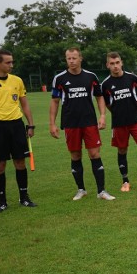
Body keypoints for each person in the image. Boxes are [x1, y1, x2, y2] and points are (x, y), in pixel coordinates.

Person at [49, 47, 116, 201]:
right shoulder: (59, 79)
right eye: (68, 58)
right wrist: (52, 124)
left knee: (94, 154)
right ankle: (81, 190)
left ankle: (101, 191)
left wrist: (103, 115)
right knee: (76, 155)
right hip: (71, 123)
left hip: (89, 122)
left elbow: (100, 97)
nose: (71, 61)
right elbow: (54, 102)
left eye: (74, 58)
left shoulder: (91, 77)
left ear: (80, 58)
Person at [101, 52, 137, 192]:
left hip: (135, 120)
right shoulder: (105, 84)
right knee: (122, 150)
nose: (115, 66)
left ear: (121, 63)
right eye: (112, 63)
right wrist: (119, 111)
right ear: (107, 65)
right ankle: (125, 181)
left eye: (117, 63)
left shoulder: (132, 78)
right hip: (118, 123)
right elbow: (107, 104)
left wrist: (131, 109)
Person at [0, 49, 37, 213]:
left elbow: (24, 104)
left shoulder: (17, 80)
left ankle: (24, 197)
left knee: (20, 162)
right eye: (8, 62)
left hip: (16, 125)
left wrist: (30, 124)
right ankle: (1, 202)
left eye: (12, 62)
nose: (12, 65)